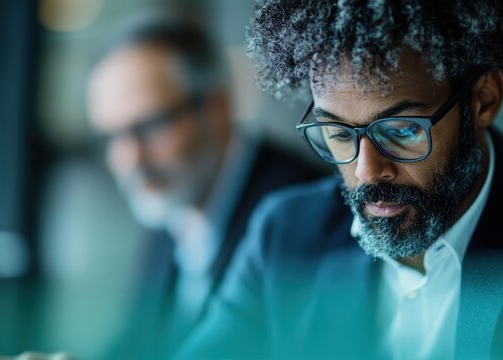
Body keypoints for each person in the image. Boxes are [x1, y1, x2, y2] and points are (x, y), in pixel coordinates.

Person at [178, 1, 503, 359]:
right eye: (338, 134)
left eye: (402, 131)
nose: (367, 171)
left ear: (484, 100)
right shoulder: (285, 235)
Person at [86, 11, 326, 359]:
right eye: (110, 138)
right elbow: (135, 345)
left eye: (151, 126)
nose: (130, 160)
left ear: (217, 107)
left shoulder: (300, 214)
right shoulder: (171, 206)